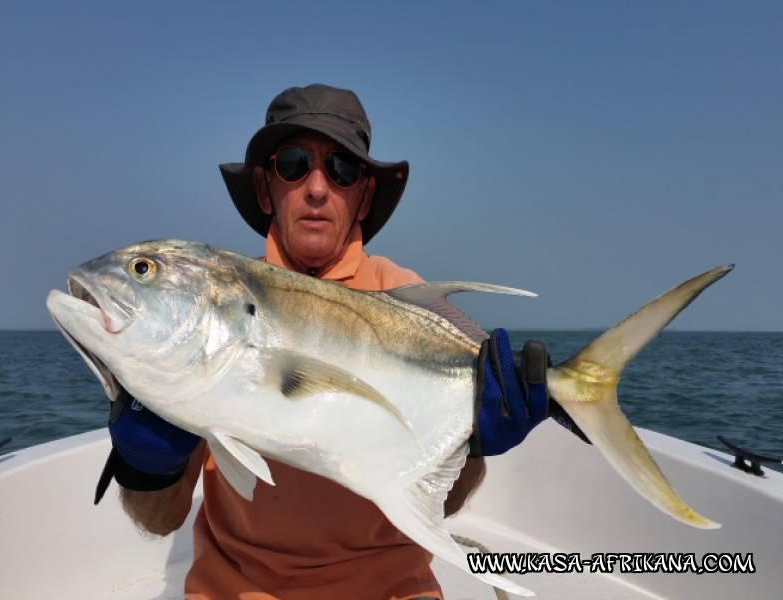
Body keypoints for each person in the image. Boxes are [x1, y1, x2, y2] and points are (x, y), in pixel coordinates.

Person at [103, 84, 550, 600]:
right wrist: (145, 466)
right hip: (236, 589)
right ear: (266, 187)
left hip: (392, 589)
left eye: (341, 169)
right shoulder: (211, 305)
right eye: (294, 163)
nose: (317, 187)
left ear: (364, 196)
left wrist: (472, 448)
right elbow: (159, 521)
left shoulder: (406, 306)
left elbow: (439, 505)